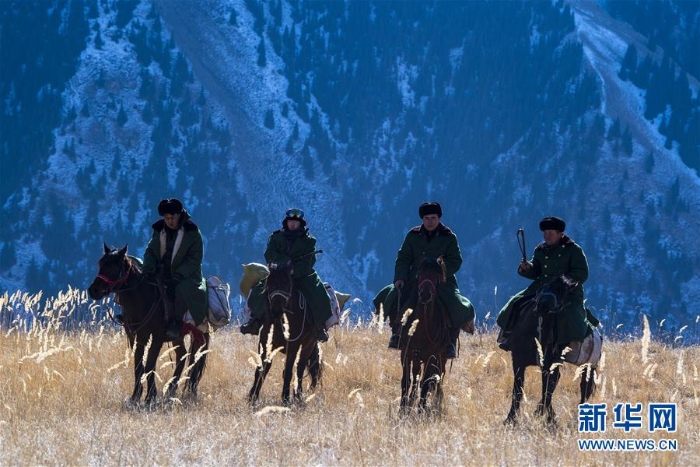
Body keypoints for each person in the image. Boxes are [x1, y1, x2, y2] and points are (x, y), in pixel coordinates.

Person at [373, 201, 475, 358]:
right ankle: (397, 333)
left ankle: (450, 342)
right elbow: (403, 258)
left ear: (439, 218)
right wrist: (400, 277)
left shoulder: (449, 237)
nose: (430, 221)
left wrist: (441, 272)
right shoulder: (413, 235)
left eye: (433, 218)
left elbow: (456, 260)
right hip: (415, 279)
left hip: (442, 280)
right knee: (393, 295)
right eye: (426, 218)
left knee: (455, 304)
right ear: (422, 219)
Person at [496, 216, 596, 351]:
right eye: (545, 233)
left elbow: (582, 273)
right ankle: (510, 336)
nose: (546, 236)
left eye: (550, 233)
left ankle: (574, 345)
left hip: (566, 291)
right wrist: (527, 268)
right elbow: (536, 271)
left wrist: (563, 283)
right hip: (540, 289)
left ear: (560, 234)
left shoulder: (573, 250)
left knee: (571, 315)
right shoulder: (540, 250)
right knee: (517, 303)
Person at [240, 208, 333, 342]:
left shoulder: (309, 241)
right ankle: (254, 321)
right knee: (258, 291)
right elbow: (269, 254)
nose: (293, 224)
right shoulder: (276, 237)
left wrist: (293, 270)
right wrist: (285, 263)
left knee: (319, 295)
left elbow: (309, 261)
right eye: (291, 222)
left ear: (301, 224)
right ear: (286, 222)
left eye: (296, 222)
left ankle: (318, 326)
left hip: (301, 276)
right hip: (278, 274)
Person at [141, 198, 208, 340]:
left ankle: (176, 323)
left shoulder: (192, 231)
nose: (170, 221)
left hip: (186, 276)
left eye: (172, 217)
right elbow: (151, 251)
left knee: (180, 288)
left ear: (179, 215)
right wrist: (148, 268)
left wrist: (179, 274)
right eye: (166, 218)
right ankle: (137, 318)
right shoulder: (159, 230)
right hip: (162, 271)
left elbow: (195, 259)